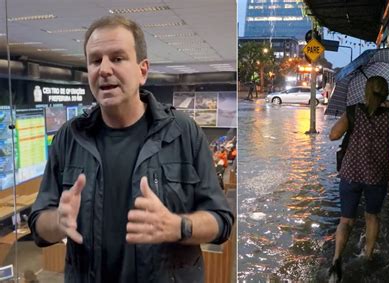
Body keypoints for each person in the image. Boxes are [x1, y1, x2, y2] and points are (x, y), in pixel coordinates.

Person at [28, 15, 234, 283]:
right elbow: (38, 225)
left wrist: (177, 226)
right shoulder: (70, 137)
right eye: (95, 60)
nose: (103, 69)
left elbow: (221, 221)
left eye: (117, 58)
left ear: (143, 71)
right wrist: (59, 222)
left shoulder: (184, 133)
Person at [328, 76, 389, 281]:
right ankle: (368, 256)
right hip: (377, 176)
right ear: (385, 92)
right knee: (372, 216)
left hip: (351, 174)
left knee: (346, 220)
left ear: (365, 90)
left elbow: (333, 135)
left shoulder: (354, 112)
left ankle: (336, 260)